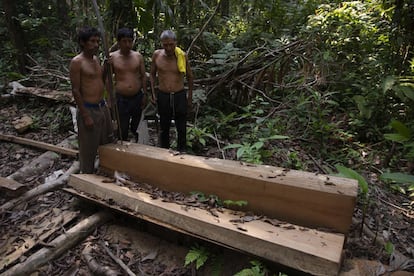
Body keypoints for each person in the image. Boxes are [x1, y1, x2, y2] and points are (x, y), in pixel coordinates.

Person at [69, 26, 114, 173]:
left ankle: (105, 170)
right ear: (82, 42)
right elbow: (75, 90)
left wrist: (106, 68)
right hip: (89, 109)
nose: (96, 45)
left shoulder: (95, 59)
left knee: (107, 142)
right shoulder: (77, 62)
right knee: (88, 147)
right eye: (92, 41)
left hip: (102, 107)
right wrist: (85, 115)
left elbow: (99, 79)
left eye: (97, 41)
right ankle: (86, 175)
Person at [150, 30, 193, 152]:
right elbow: (152, 74)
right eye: (165, 45)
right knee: (164, 125)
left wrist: (189, 97)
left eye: (171, 44)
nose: (168, 48)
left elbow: (190, 76)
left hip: (179, 95)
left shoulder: (182, 56)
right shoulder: (157, 55)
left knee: (181, 126)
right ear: (161, 44)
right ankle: (164, 152)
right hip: (163, 95)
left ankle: (182, 151)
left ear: (175, 43)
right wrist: (153, 93)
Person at [110, 27, 147, 142]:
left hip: (137, 97)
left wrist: (145, 94)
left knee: (136, 125)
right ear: (119, 42)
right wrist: (109, 98)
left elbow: (143, 76)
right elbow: (107, 78)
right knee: (123, 127)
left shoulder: (138, 56)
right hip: (121, 98)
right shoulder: (112, 57)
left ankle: (136, 147)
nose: (127, 44)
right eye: (124, 41)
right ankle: (123, 148)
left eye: (130, 41)